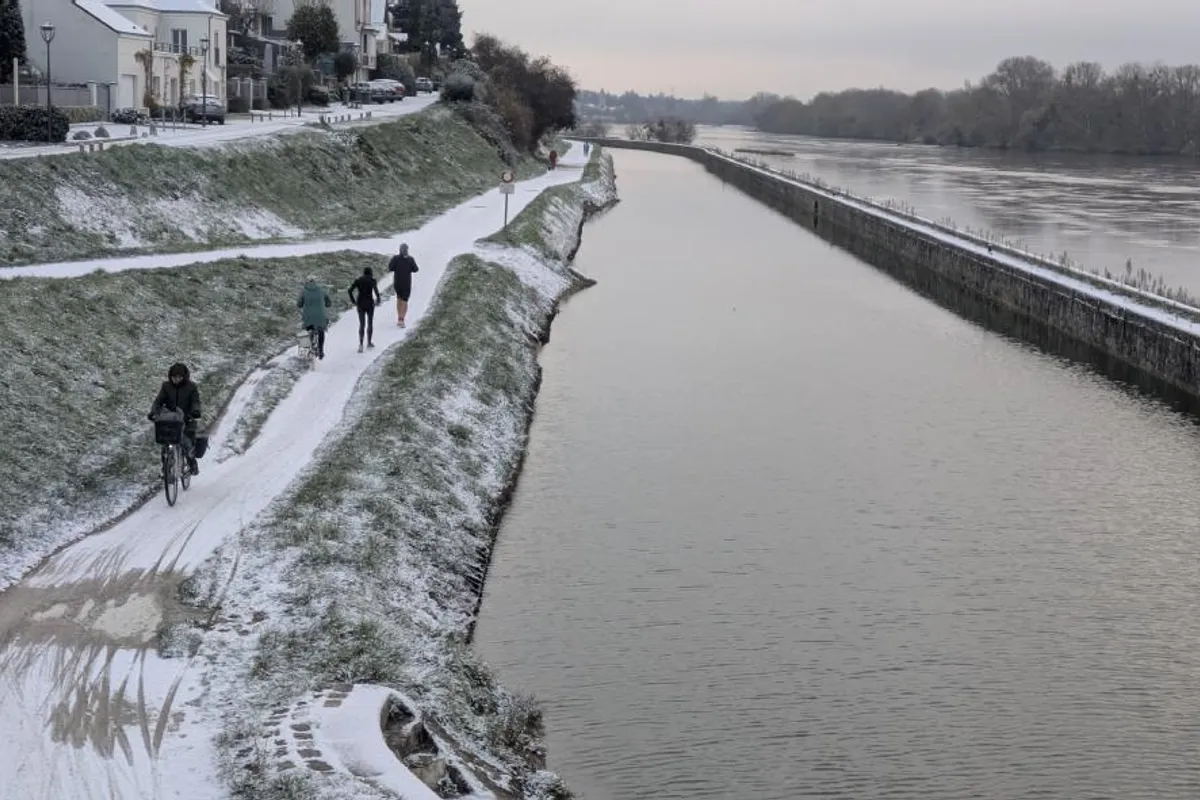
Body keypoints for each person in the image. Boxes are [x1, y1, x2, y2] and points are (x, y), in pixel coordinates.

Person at [147, 362, 202, 475]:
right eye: (174, 377)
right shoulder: (166, 386)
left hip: (187, 418)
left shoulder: (191, 387)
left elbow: (195, 401)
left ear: (184, 377)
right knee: (165, 443)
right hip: (171, 420)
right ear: (170, 376)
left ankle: (192, 461)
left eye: (179, 377)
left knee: (185, 442)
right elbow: (158, 401)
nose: (176, 379)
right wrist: (153, 412)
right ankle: (166, 468)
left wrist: (195, 411)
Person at [348, 266, 382, 352]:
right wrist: (378, 300)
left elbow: (350, 290)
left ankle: (361, 344)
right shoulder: (372, 280)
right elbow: (376, 292)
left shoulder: (358, 280)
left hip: (360, 303)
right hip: (370, 303)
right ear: (371, 273)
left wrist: (353, 301)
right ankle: (369, 342)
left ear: (364, 272)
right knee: (370, 323)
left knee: (362, 324)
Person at [297, 275, 332, 358]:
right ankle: (321, 350)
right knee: (321, 330)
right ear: (316, 282)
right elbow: (329, 303)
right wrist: (325, 304)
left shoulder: (303, 291)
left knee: (306, 330)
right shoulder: (322, 291)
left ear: (307, 282)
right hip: (320, 317)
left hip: (308, 317)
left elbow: (299, 304)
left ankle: (306, 349)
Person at [387, 243, 419, 328]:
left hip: (397, 283)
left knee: (399, 299)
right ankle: (401, 319)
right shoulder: (410, 259)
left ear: (399, 250)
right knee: (405, 301)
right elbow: (416, 269)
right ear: (407, 250)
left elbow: (390, 268)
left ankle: (399, 318)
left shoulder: (395, 258)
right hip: (406, 283)